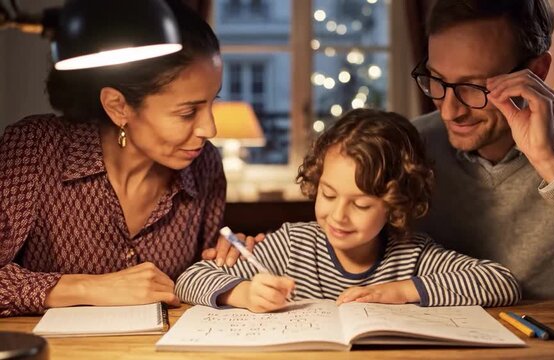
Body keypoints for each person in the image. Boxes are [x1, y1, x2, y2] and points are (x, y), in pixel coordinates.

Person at [0, 1, 226, 317]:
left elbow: (205, 279)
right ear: (118, 106)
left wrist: (231, 260)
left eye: (212, 103)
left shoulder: (204, 165)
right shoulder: (36, 149)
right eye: (187, 112)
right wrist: (89, 287)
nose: (209, 128)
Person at [175, 109, 521, 313]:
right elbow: (190, 279)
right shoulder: (294, 244)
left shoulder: (412, 255)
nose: (338, 216)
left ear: (395, 204)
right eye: (328, 194)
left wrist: (401, 292)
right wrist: (243, 293)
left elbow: (501, 282)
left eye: (360, 204)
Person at [411, 0, 554, 300]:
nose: (449, 112)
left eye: (475, 86)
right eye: (437, 80)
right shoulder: (413, 143)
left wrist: (551, 163)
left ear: (537, 70)